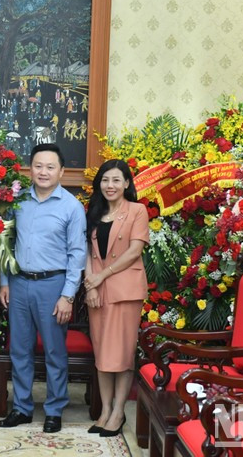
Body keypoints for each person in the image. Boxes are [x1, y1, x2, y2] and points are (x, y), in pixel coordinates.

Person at [0, 143, 87, 434]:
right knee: (20, 350)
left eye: (50, 167)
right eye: (38, 166)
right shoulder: (18, 201)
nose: (43, 172)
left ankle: (54, 409)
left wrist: (67, 295)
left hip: (53, 285)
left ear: (61, 171)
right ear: (30, 169)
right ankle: (22, 408)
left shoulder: (72, 207)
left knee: (54, 351)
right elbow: (4, 243)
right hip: (19, 283)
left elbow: (77, 254)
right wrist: (4, 281)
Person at [83, 159, 149, 437]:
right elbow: (87, 252)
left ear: (126, 184)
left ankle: (118, 411)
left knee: (121, 354)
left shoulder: (137, 210)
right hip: (98, 291)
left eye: (116, 180)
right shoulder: (94, 212)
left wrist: (102, 276)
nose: (110, 185)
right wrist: (91, 286)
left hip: (125, 291)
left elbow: (134, 251)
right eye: (105, 180)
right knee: (102, 353)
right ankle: (105, 410)